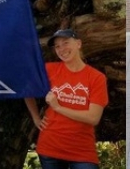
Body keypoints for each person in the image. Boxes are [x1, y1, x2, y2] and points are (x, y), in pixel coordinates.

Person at [23, 29, 108, 169]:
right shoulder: (49, 69)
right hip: (50, 147)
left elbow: (93, 118)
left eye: (66, 43)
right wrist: (36, 118)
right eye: (57, 46)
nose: (61, 49)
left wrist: (58, 107)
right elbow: (26, 90)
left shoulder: (96, 78)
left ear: (78, 44)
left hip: (82, 151)